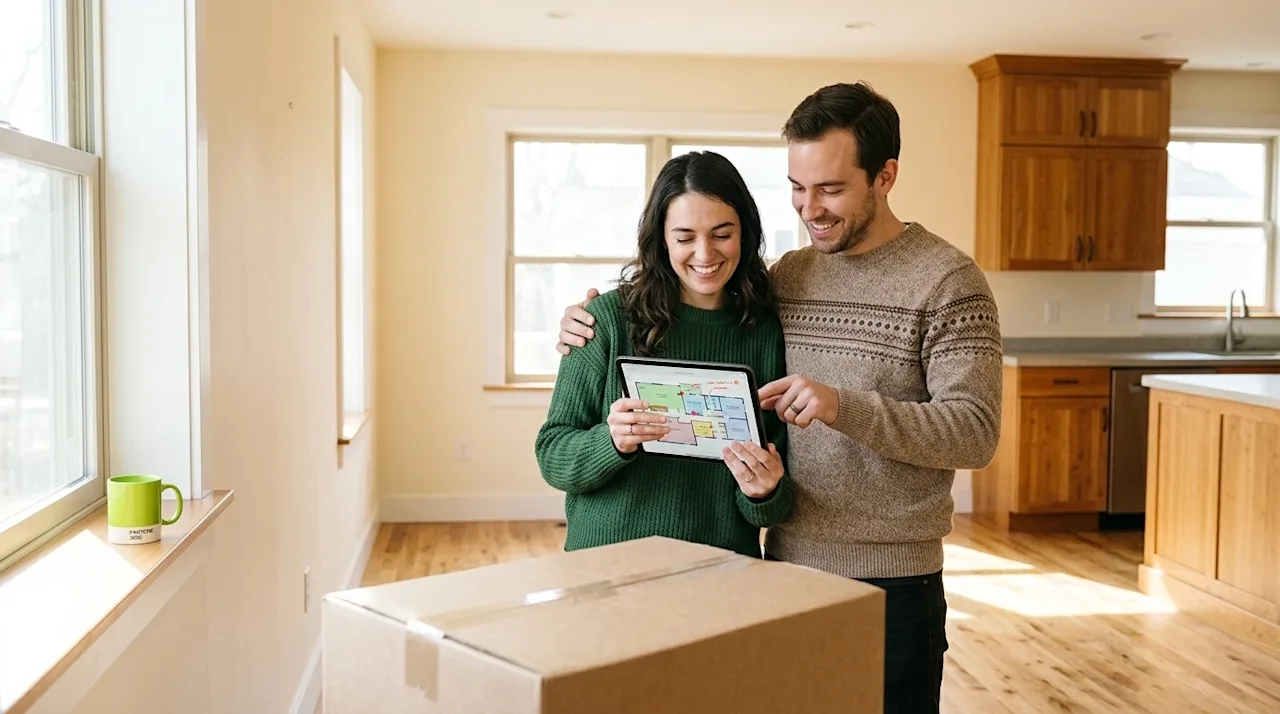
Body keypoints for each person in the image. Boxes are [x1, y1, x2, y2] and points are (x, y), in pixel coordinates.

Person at [554, 82, 1003, 714]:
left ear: (885, 176)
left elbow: (976, 432)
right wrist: (586, 318)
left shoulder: (949, 282)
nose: (809, 209)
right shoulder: (786, 280)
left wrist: (843, 406)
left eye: (831, 188)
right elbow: (691, 280)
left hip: (892, 576)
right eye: (797, 187)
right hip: (784, 565)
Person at [533, 150, 794, 560]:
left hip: (720, 570)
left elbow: (774, 504)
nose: (705, 254)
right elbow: (553, 455)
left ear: (745, 233)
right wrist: (612, 441)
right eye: (685, 238)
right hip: (605, 567)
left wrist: (764, 490)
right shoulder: (604, 320)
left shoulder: (765, 333)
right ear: (661, 239)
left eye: (722, 234)